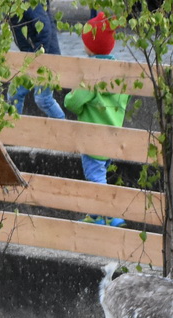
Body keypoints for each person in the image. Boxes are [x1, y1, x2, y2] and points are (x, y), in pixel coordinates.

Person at [65, 15, 130, 227]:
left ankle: (111, 216)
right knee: (100, 173)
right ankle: (94, 215)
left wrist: (71, 93)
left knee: (95, 178)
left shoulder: (92, 74)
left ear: (90, 46)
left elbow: (73, 103)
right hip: (113, 137)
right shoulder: (119, 72)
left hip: (93, 139)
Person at [11, 5, 68, 122]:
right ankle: (14, 132)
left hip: (45, 56)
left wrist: (38, 57)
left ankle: (64, 129)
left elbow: (45, 29)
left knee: (43, 99)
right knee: (14, 94)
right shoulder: (10, 5)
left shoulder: (30, 3)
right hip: (30, 57)